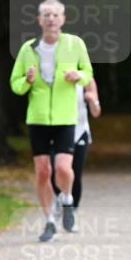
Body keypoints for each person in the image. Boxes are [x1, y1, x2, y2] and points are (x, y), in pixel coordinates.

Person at [9, 0, 93, 242]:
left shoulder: (74, 44)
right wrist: (28, 80)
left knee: (63, 168)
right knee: (43, 172)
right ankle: (48, 221)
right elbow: (15, 84)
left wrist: (77, 75)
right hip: (37, 119)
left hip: (66, 117)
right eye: (46, 15)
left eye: (55, 14)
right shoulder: (28, 49)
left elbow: (88, 74)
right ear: (39, 20)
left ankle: (66, 199)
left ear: (63, 19)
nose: (51, 19)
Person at [51, 79, 101, 216]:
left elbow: (96, 113)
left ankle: (72, 208)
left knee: (75, 172)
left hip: (80, 131)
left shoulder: (87, 79)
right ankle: (60, 197)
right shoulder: (54, 75)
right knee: (56, 168)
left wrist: (92, 101)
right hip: (57, 130)